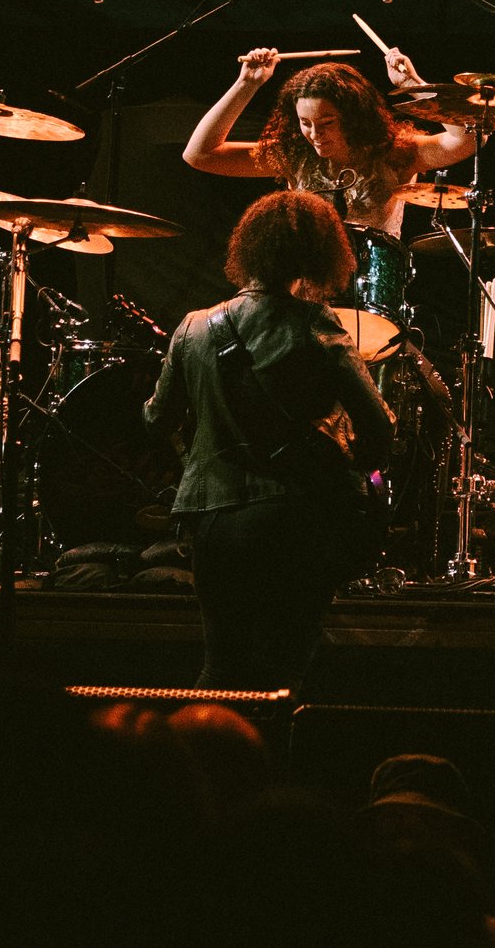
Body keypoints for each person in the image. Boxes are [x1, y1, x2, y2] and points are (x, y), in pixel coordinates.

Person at [143, 190, 393, 687]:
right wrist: (352, 462)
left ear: (249, 248)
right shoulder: (316, 324)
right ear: (321, 254)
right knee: (283, 667)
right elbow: (380, 424)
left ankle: (207, 736)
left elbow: (155, 420)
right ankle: (270, 739)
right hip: (295, 516)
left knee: (220, 664)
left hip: (211, 518)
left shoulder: (193, 328)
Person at [182, 49, 475, 237]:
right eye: (305, 123)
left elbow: (468, 139)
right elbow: (200, 155)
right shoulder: (295, 154)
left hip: (366, 294)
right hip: (303, 289)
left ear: (353, 117)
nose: (314, 134)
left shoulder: (394, 152)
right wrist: (246, 84)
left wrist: (414, 85)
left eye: (326, 123)